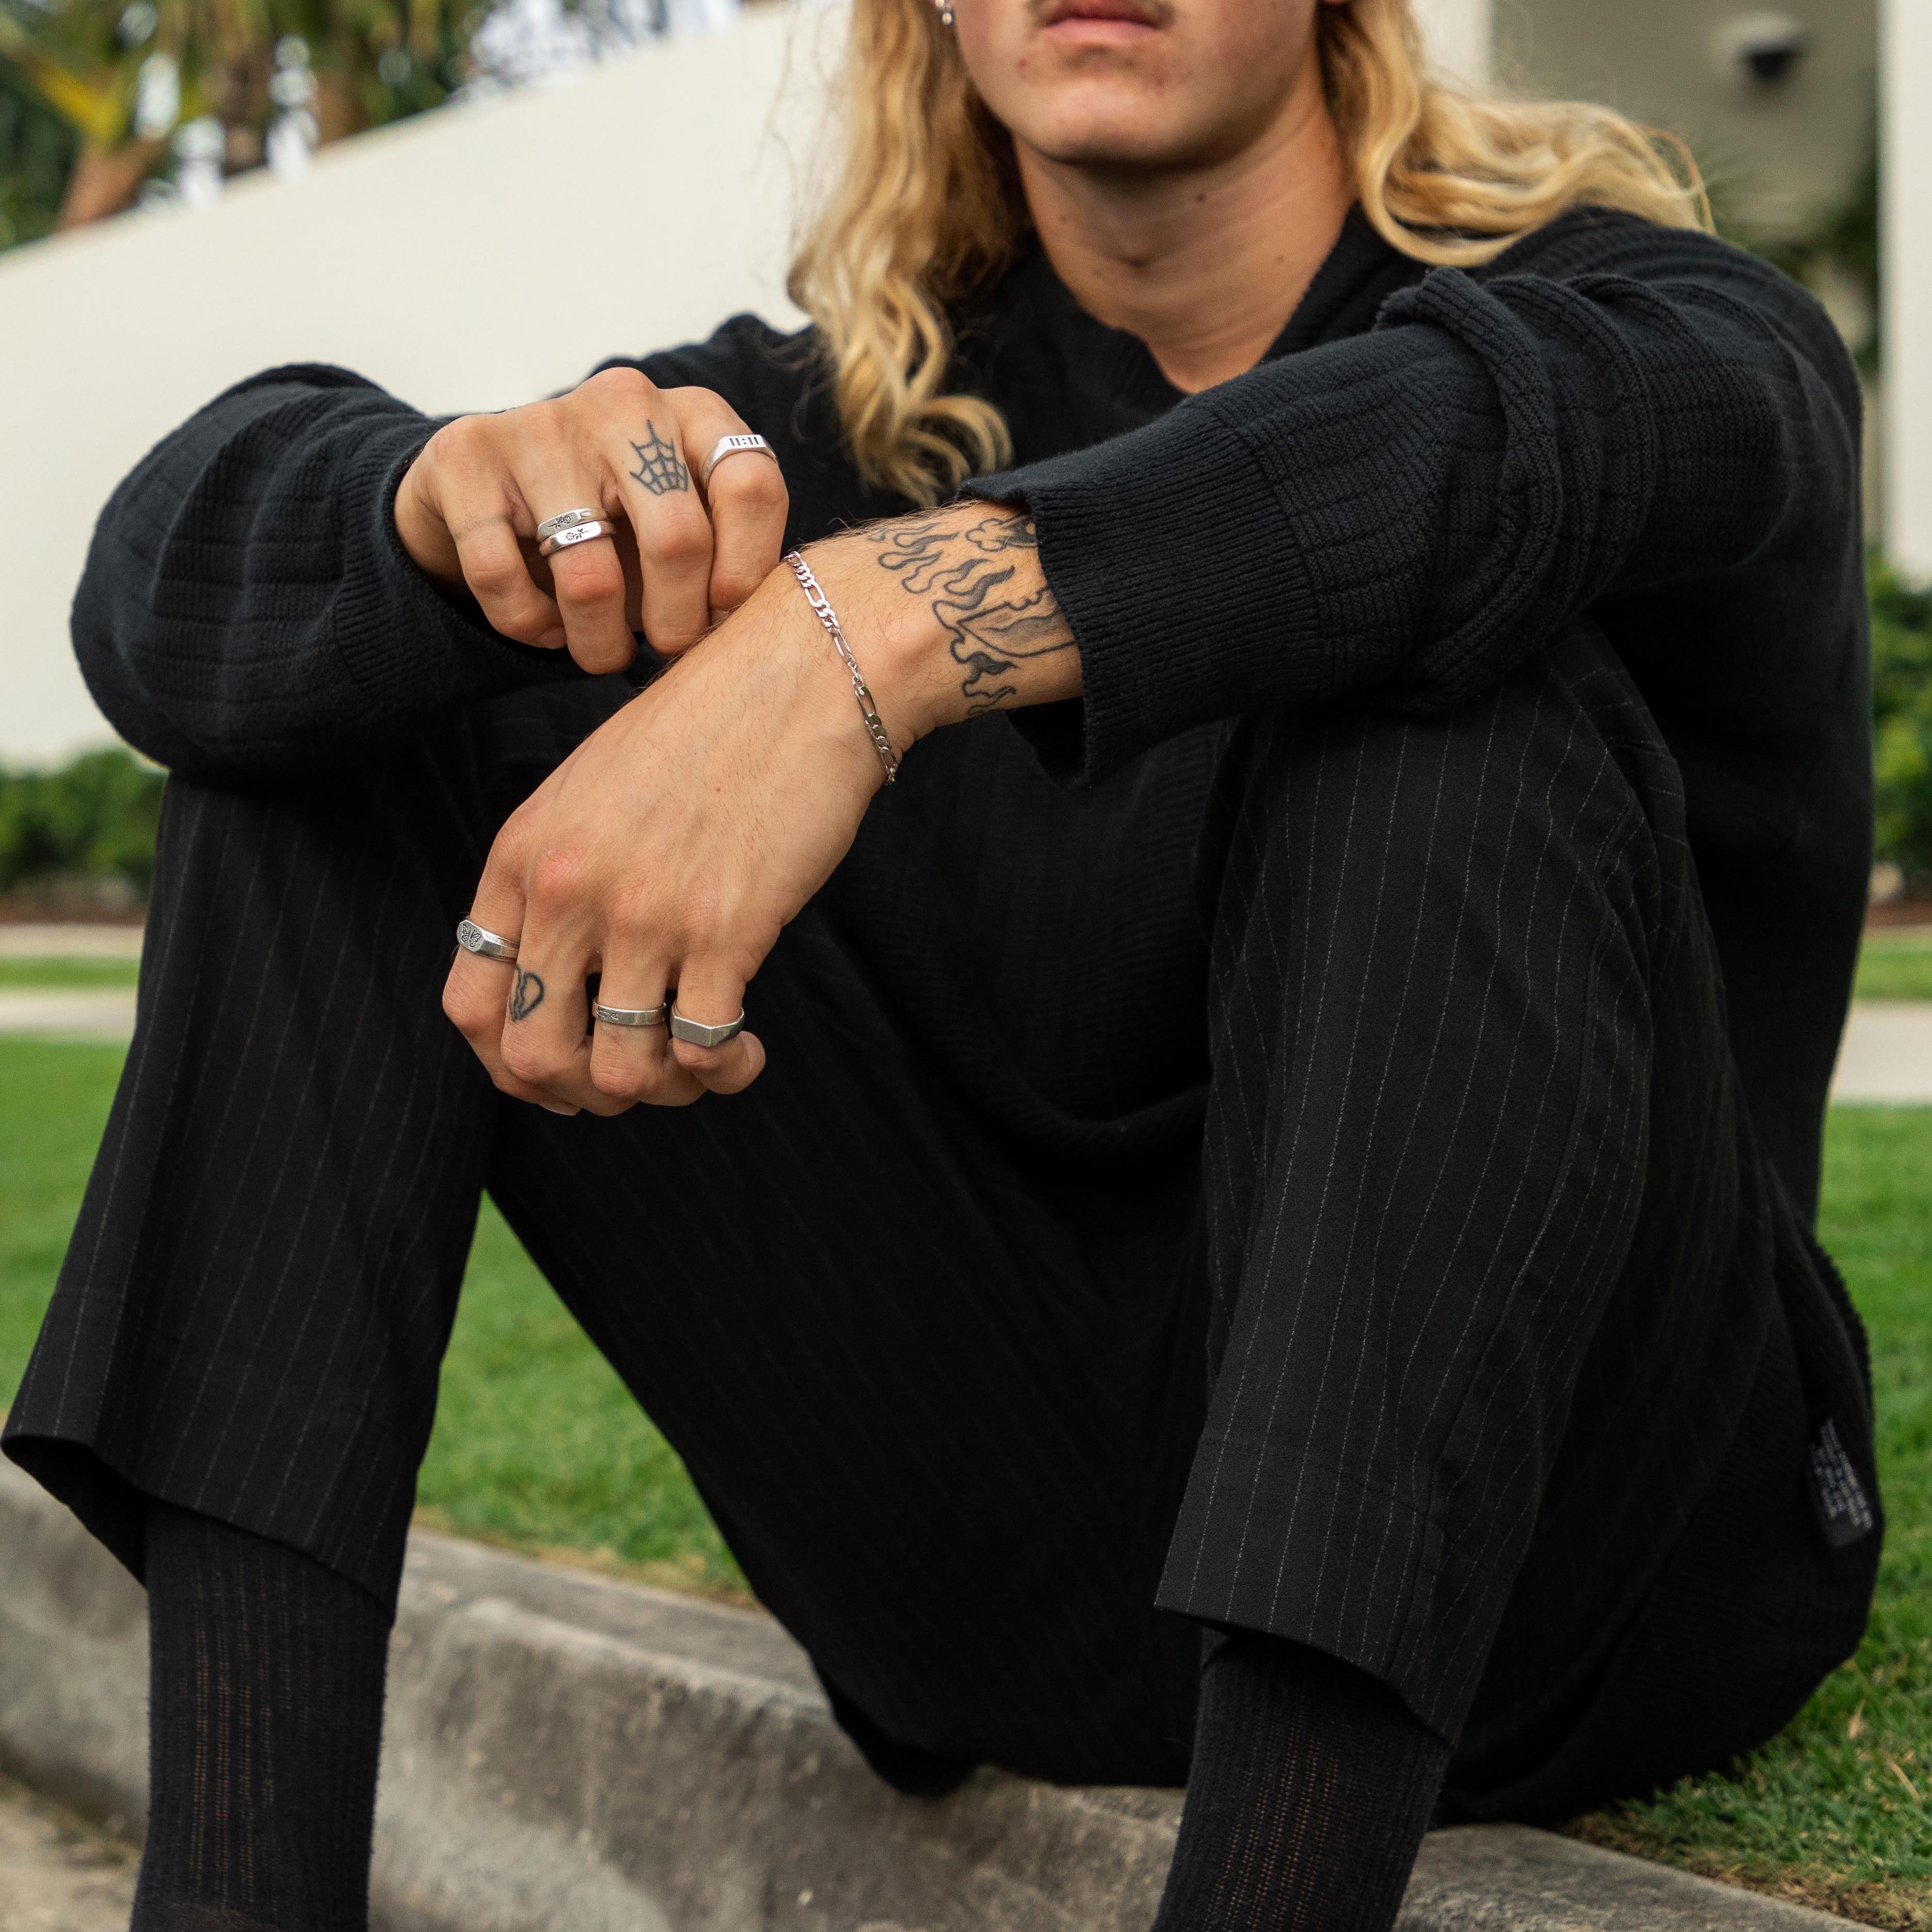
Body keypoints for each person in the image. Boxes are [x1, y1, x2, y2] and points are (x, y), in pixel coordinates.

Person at [3, 0, 1885, 1926]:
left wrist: (889, 627)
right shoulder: (833, 432)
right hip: (1006, 1563)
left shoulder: (1623, 312)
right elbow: (167, 582)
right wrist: (430, 505)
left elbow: (1603, 424)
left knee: (1442, 700)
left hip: (1579, 1578)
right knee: (348, 713)